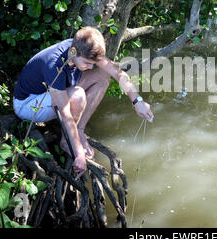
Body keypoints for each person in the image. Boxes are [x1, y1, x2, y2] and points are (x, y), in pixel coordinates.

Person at [13, 26, 153, 179]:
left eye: (93, 63)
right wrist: (79, 154)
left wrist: (137, 101)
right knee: (78, 95)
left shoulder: (81, 49)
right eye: (87, 63)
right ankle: (66, 142)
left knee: (102, 76)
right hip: (28, 105)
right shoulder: (55, 65)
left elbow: (119, 74)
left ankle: (79, 130)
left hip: (51, 94)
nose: (90, 67)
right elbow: (65, 114)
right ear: (74, 52)